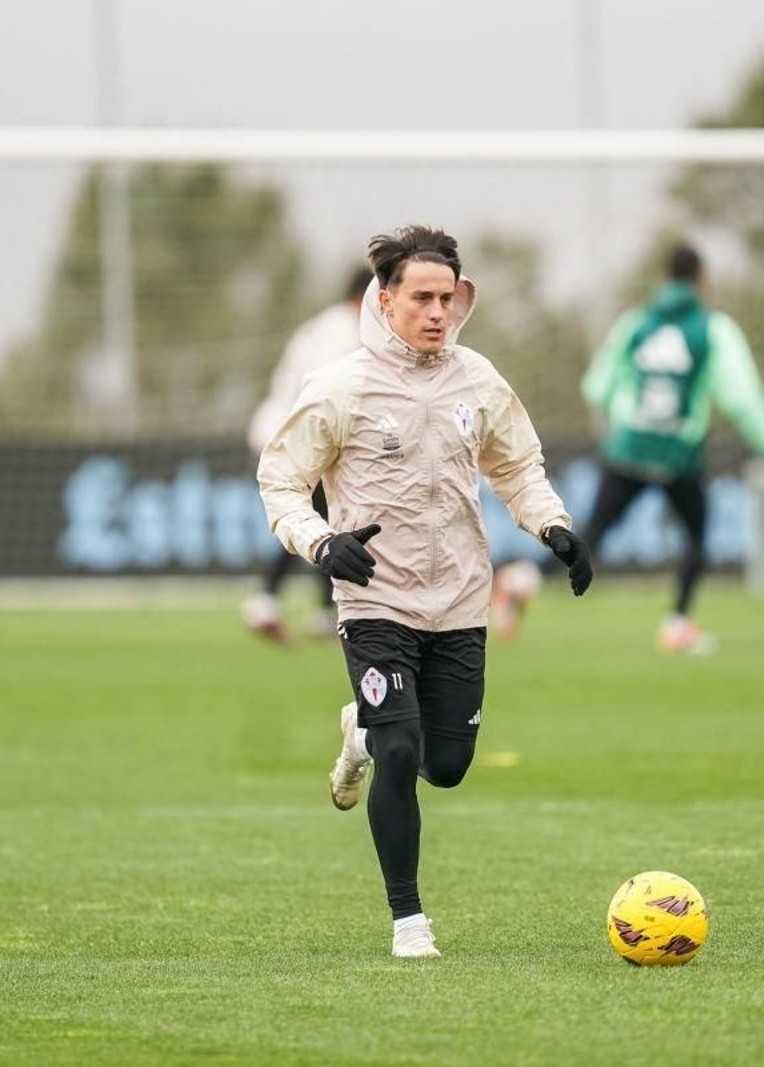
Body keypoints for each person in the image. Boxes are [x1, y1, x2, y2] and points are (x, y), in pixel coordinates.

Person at [257, 225, 592, 958]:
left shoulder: (478, 379)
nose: (437, 311)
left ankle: (360, 731)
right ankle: (410, 919)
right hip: (376, 600)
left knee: (446, 765)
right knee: (403, 749)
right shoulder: (341, 386)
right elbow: (279, 480)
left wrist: (554, 526)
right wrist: (320, 541)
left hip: (462, 599)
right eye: (422, 297)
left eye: (447, 298)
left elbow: (518, 467)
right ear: (386, 301)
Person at [493, 242, 764, 653]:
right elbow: (740, 396)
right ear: (702, 280)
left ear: (664, 280)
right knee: (696, 537)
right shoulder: (714, 328)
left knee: (592, 536)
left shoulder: (635, 323)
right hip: (678, 454)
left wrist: (629, 417)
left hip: (629, 450)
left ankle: (520, 579)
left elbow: (596, 387)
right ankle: (678, 624)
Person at [242, 266, 373, 643]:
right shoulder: (348, 332)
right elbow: (324, 390)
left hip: (277, 426)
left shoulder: (319, 326)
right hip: (298, 433)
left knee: (322, 517)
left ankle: (304, 608)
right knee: (325, 517)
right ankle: (285, 604)